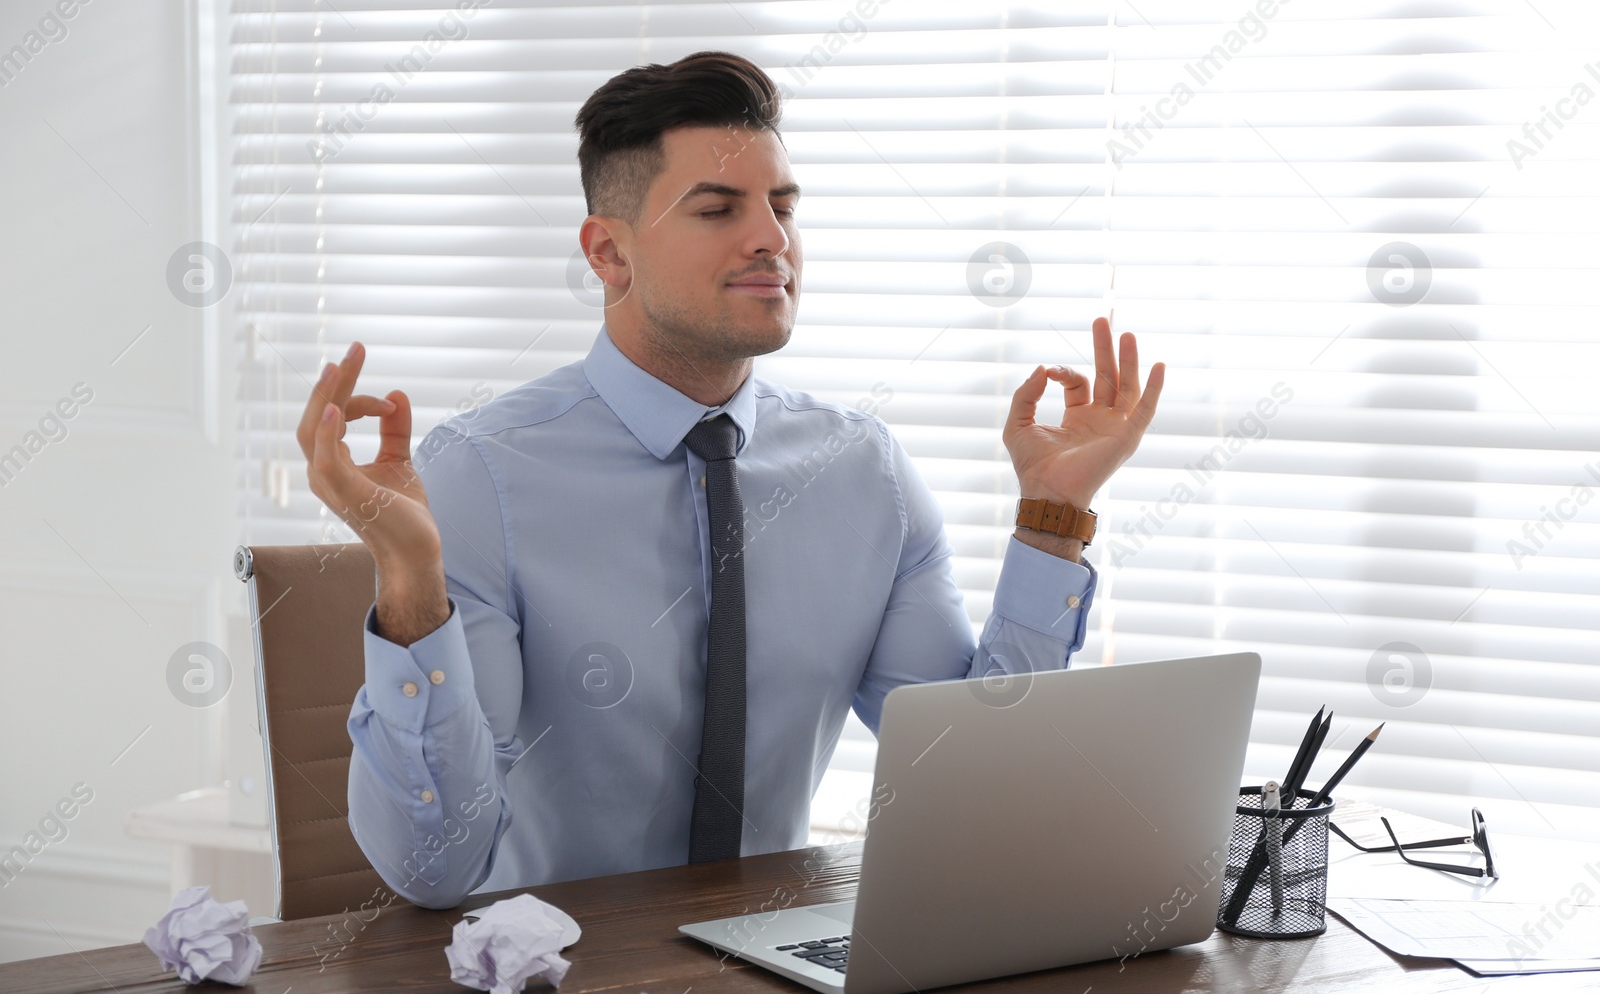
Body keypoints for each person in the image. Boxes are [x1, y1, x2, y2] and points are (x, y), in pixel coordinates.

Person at [297, 51, 1164, 909]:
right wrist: (411, 580)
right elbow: (434, 868)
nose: (771, 238)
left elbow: (982, 789)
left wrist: (1056, 517)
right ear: (609, 254)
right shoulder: (481, 476)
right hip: (554, 974)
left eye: (783, 207)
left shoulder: (864, 474)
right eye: (718, 208)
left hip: (771, 967)